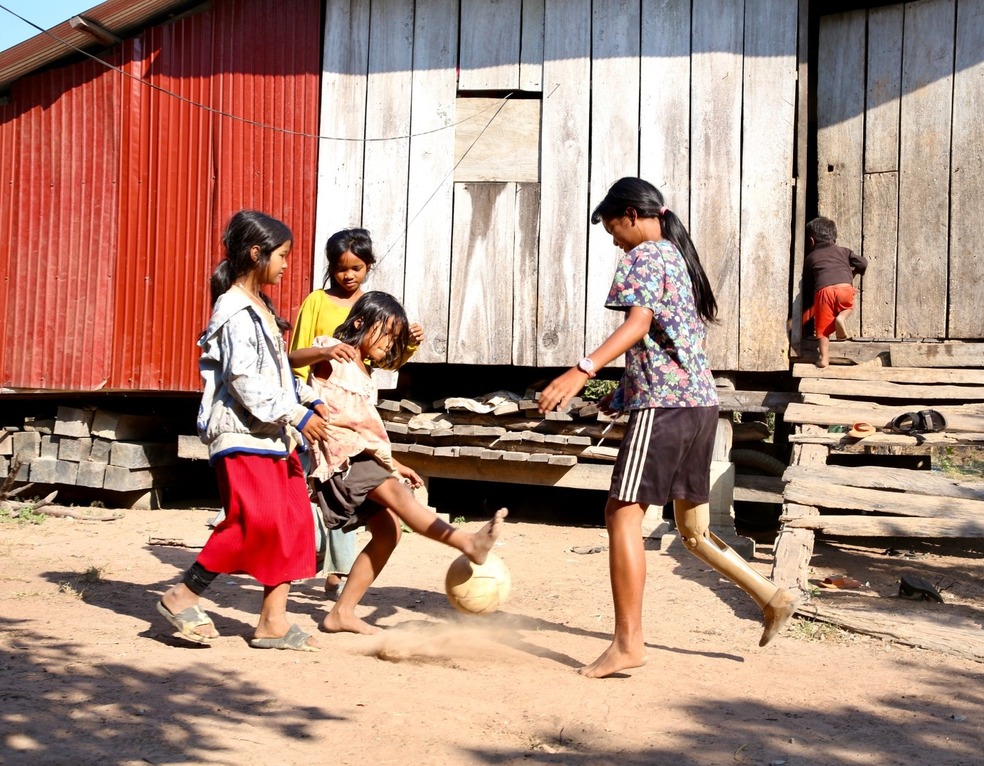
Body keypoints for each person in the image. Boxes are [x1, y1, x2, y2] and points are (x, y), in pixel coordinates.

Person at [537, 177, 799, 679]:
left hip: (666, 406)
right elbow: (665, 344)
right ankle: (772, 597)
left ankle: (627, 643)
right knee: (694, 532)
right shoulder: (676, 258)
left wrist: (581, 369)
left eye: (613, 226)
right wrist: (621, 395)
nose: (613, 238)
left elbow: (637, 326)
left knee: (621, 513)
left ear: (633, 215)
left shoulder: (643, 256)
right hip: (699, 405)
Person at [156, 210, 329, 652]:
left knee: (292, 524)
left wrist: (308, 400)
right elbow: (244, 380)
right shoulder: (232, 309)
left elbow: (275, 374)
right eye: (283, 255)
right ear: (257, 253)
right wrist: (296, 415)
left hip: (272, 434)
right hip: (241, 432)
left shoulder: (263, 309)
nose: (288, 265)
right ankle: (184, 594)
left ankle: (273, 621)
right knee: (257, 522)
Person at [305, 291, 507, 635]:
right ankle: (466, 542)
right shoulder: (333, 355)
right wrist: (323, 350)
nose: (390, 343)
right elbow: (292, 356)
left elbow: (365, 431)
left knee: (389, 531)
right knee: (401, 499)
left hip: (362, 456)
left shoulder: (366, 375)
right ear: (359, 324)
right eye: (386, 333)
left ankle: (342, 612)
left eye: (396, 338)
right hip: (340, 458)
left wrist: (394, 463)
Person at [287, 228, 424, 600]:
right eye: (341, 268)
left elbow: (385, 362)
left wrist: (408, 343)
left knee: (351, 497)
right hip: (315, 410)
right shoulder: (317, 301)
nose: (349, 276)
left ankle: (337, 574)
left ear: (369, 268)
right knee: (320, 490)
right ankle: (313, 563)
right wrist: (299, 403)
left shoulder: (375, 306)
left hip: (354, 415)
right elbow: (298, 353)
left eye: (357, 268)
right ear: (331, 268)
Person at [801, 216, 867, 368]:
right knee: (848, 308)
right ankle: (842, 317)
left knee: (822, 329)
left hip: (824, 291)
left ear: (811, 241)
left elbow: (808, 282)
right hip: (845, 288)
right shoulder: (844, 251)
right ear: (834, 237)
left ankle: (824, 358)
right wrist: (853, 273)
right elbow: (862, 262)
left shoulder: (811, 257)